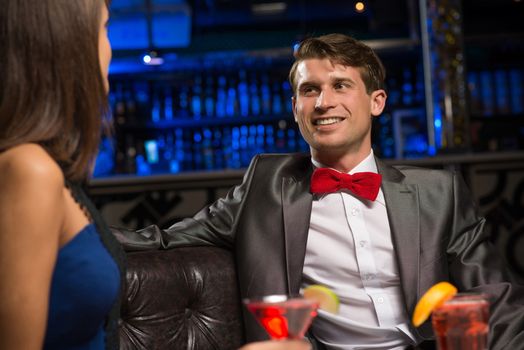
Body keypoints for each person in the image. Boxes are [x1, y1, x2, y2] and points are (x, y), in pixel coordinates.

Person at [115, 33, 524, 349]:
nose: (323, 102)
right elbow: (163, 239)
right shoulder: (267, 186)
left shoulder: (439, 192)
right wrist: (66, 231)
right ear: (295, 107)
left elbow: (496, 295)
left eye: (341, 85)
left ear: (376, 101)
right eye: (309, 90)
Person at [0, 1, 126, 349]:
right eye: (105, 28)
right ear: (69, 44)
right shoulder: (29, 169)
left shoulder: (46, 167)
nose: (109, 47)